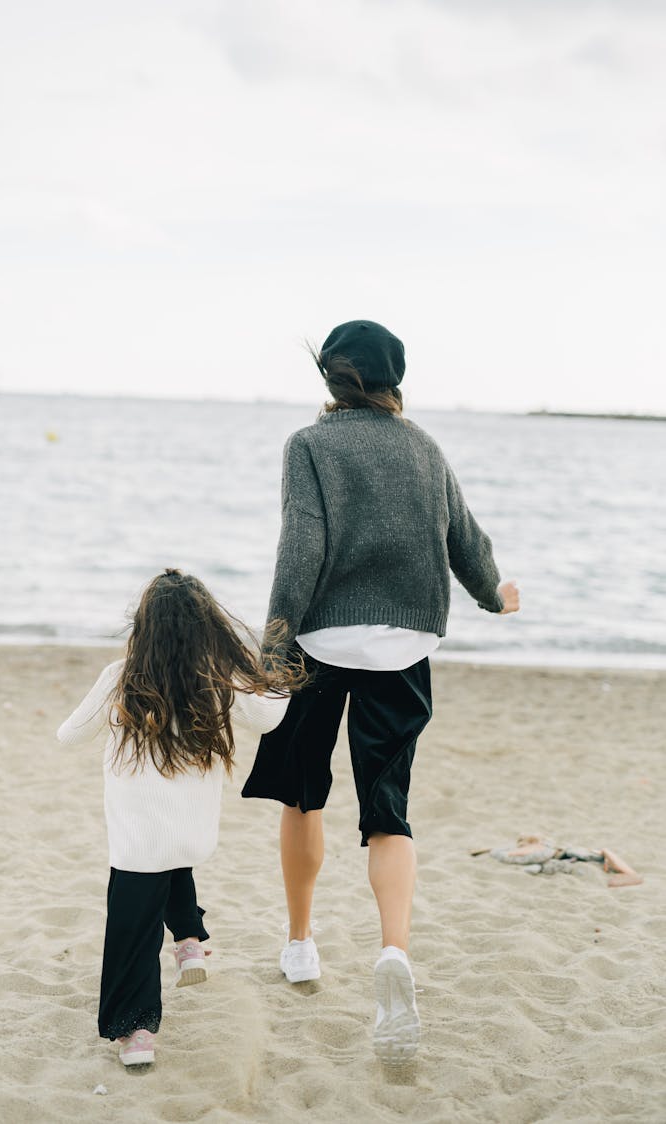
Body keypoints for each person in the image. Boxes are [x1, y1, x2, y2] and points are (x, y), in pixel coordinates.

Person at [241, 320, 520, 1064]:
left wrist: (274, 646)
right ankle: (393, 950)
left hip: (321, 641)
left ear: (330, 380)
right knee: (387, 809)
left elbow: (301, 546)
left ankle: (301, 942)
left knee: (303, 794)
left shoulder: (309, 446)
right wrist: (495, 593)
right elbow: (465, 538)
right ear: (396, 376)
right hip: (403, 646)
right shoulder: (424, 448)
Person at [57, 569, 301, 1067]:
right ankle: (189, 941)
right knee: (168, 862)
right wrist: (268, 664)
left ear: (143, 627)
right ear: (208, 626)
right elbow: (269, 717)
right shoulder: (219, 679)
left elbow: (69, 735)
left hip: (136, 842)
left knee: (133, 928)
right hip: (192, 836)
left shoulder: (121, 677)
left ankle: (137, 1032)